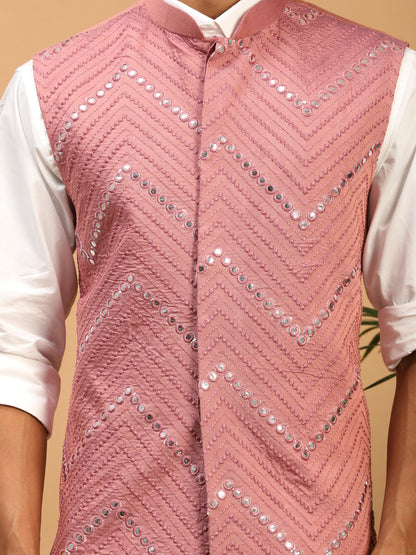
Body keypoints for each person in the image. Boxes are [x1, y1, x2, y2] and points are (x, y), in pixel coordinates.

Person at [0, 0, 415, 553]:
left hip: (319, 535)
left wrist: (400, 538)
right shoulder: (48, 89)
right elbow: (14, 348)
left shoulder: (385, 78)